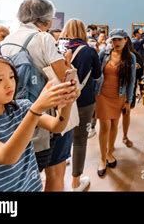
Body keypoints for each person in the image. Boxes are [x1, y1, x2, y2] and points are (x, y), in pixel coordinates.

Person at [0, 55, 78, 191]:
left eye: (11, 77)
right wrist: (36, 110)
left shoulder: (21, 107)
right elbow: (6, 156)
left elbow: (56, 126)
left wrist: (66, 105)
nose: (9, 84)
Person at [1, 0, 75, 191]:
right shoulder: (43, 38)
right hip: (45, 115)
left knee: (22, 171)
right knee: (55, 170)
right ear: (48, 19)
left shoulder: (7, 39)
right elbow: (64, 76)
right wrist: (67, 61)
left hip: (14, 110)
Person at [59, 19, 101, 191]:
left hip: (61, 98)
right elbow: (97, 75)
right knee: (80, 140)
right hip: (84, 100)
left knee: (61, 136)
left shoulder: (58, 48)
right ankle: (75, 182)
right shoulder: (90, 51)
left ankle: (57, 177)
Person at [95, 29, 136, 177]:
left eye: (119, 39)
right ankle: (102, 159)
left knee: (114, 125)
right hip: (102, 95)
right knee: (104, 126)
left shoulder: (130, 58)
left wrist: (128, 101)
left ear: (125, 40)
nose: (116, 43)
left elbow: (131, 80)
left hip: (119, 96)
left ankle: (109, 153)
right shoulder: (103, 54)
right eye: (113, 40)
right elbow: (96, 74)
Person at [132, 29, 144, 96]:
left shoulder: (139, 41)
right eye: (139, 33)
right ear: (136, 34)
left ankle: (142, 90)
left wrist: (143, 33)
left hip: (141, 62)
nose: (141, 35)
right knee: (135, 78)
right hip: (136, 63)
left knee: (142, 77)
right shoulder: (134, 41)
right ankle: (133, 93)